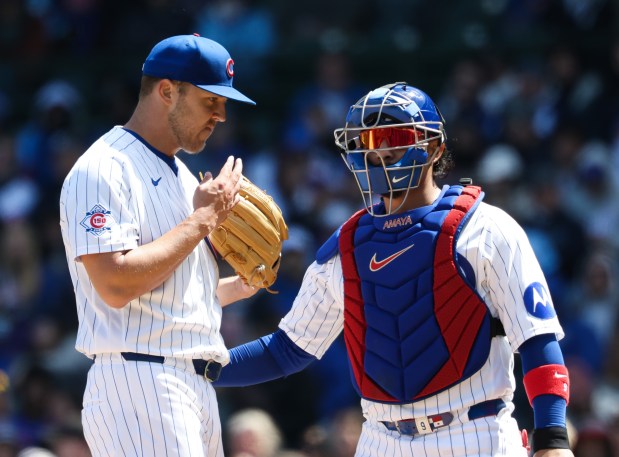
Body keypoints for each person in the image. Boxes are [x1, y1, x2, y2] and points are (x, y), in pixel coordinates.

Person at [214, 82, 574, 456]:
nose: (378, 152)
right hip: (380, 438)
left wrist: (552, 438)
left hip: (474, 431)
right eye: (366, 141)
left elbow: (536, 338)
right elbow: (287, 350)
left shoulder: (485, 228)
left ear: (433, 147)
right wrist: (206, 367)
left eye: (393, 137)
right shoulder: (346, 246)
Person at [59, 34, 259, 456]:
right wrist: (203, 220)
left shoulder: (184, 177)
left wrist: (238, 287)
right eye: (211, 101)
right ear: (167, 91)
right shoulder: (104, 167)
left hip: (189, 383)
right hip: (140, 381)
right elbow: (114, 285)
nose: (221, 115)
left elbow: (166, 300)